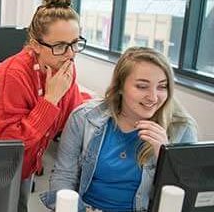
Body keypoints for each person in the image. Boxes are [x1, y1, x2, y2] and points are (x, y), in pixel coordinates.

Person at [0, 0, 91, 211]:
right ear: (36, 45)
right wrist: (51, 99)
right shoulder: (15, 74)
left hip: (25, 163)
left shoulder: (65, 68)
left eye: (75, 44)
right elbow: (10, 140)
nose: (70, 55)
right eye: (60, 46)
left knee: (18, 206)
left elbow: (73, 115)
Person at [40, 47, 198, 212]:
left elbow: (186, 198)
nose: (153, 97)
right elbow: (63, 176)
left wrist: (166, 157)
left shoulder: (181, 129)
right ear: (120, 86)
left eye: (162, 87)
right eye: (142, 86)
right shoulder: (84, 118)